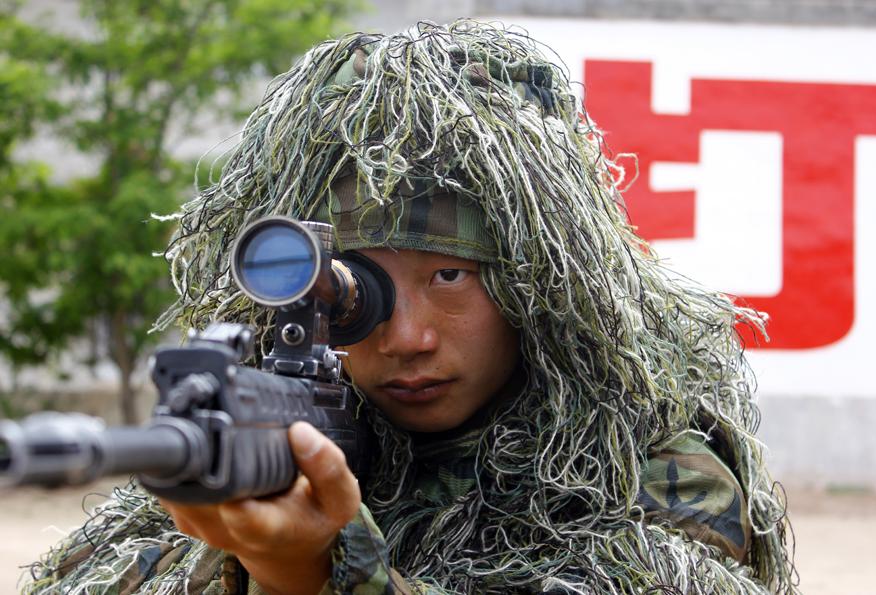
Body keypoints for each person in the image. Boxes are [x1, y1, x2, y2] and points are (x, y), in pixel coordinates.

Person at [25, 20, 796, 594]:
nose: (406, 336)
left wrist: (309, 570)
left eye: (451, 277)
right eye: (360, 290)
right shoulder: (266, 426)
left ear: (538, 286)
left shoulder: (653, 464)